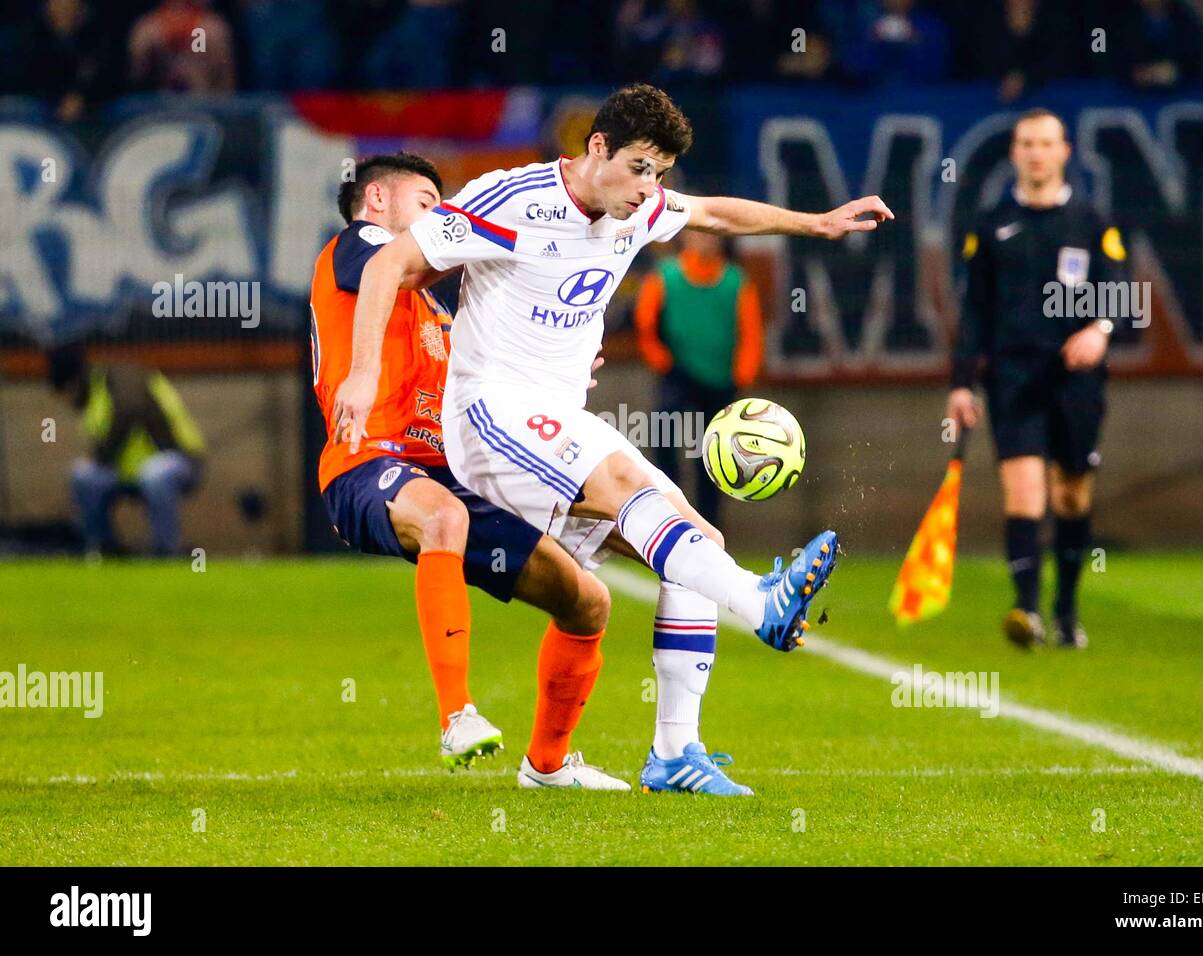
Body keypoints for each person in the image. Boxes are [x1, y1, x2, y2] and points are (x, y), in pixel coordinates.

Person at [335, 83, 894, 795]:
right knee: (632, 491)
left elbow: (714, 211)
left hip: (557, 416)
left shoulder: (646, 205)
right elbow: (389, 264)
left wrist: (815, 224)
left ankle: (674, 753)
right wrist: (361, 374)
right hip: (489, 413)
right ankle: (762, 604)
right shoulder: (511, 201)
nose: (647, 189)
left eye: (658, 172)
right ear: (595, 148)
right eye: (636, 167)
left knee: (697, 546)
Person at [313, 152, 627, 789]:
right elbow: (384, 264)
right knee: (444, 516)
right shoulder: (360, 247)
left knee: (586, 601)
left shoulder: (436, 311)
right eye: (428, 203)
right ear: (376, 200)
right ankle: (457, 714)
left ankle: (546, 766)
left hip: (449, 474)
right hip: (365, 461)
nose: (442, 217)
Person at [946, 108, 1129, 650]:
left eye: (1046, 143)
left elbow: (1118, 290)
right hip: (1014, 376)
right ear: (1014, 153)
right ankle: (1026, 610)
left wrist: (1100, 328)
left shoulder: (1092, 222)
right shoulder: (992, 224)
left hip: (1076, 380)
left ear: (1064, 151)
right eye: (1027, 143)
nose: (1036, 152)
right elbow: (974, 311)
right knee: (1024, 491)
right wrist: (961, 383)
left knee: (1071, 496)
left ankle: (1066, 610)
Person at [635, 229, 763, 530]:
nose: (705, 241)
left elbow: (751, 332)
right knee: (662, 433)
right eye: (699, 234)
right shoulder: (665, 276)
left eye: (711, 235)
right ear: (685, 238)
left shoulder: (735, 281)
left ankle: (708, 524)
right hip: (677, 374)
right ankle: (666, 510)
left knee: (712, 456)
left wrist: (742, 375)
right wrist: (663, 363)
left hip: (720, 381)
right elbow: (645, 324)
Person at [47, 345, 206, 557]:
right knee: (83, 475)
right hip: (128, 472)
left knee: (155, 474)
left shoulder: (120, 375)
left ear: (71, 384)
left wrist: (101, 456)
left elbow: (130, 409)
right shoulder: (90, 399)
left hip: (179, 458)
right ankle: (104, 549)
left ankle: (167, 550)